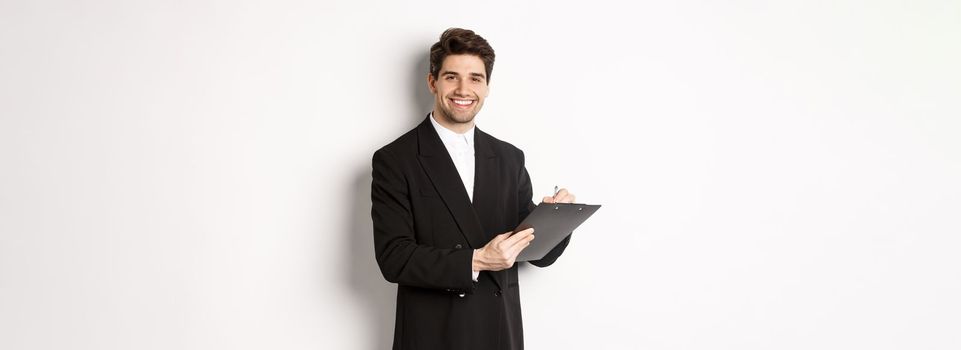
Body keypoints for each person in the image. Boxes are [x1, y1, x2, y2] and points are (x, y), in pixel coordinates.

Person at [370, 28, 576, 350]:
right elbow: (393, 258)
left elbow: (536, 254)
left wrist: (555, 220)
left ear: (487, 87)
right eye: (452, 77)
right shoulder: (396, 159)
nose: (463, 89)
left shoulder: (509, 158)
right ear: (432, 82)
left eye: (475, 78)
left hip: (499, 333)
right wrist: (477, 261)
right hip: (432, 335)